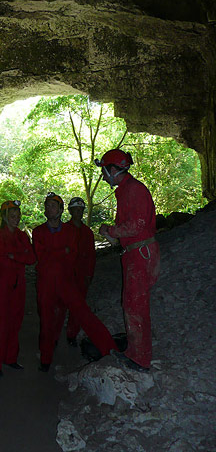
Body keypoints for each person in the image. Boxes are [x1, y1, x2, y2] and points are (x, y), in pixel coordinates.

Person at [32, 192, 118, 372]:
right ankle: (45, 360)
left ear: (61, 210)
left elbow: (71, 255)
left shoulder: (71, 231)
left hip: (65, 281)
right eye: (47, 206)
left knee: (83, 313)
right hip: (46, 284)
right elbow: (42, 256)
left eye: (53, 206)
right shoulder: (38, 231)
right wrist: (61, 251)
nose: (49, 209)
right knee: (47, 322)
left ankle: (110, 348)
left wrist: (56, 253)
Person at [96, 149, 160, 372]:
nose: (103, 176)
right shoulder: (126, 190)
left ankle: (140, 358)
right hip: (136, 252)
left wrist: (111, 230)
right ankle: (136, 351)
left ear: (113, 170)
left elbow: (137, 225)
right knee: (133, 302)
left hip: (140, 254)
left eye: (104, 171)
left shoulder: (134, 190)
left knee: (136, 304)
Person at [0, 200, 36, 377]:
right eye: (13, 216)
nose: (16, 219)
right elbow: (0, 259)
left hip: (18, 284)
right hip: (2, 283)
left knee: (15, 321)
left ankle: (10, 358)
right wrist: (20, 256)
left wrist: (14, 255)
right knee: (1, 322)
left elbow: (31, 258)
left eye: (18, 216)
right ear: (5, 217)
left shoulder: (22, 236)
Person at [63, 197, 96, 346]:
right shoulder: (63, 230)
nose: (78, 212)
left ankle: (72, 334)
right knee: (60, 305)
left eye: (80, 210)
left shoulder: (88, 233)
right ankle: (54, 336)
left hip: (81, 275)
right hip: (65, 274)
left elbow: (91, 255)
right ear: (70, 211)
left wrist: (89, 274)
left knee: (78, 306)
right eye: (75, 209)